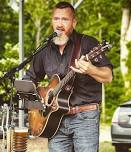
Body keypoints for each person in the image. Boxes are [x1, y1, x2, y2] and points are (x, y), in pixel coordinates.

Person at [24, 1, 113, 152]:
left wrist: (91, 69)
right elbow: (29, 79)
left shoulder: (88, 43)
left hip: (85, 117)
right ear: (52, 21)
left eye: (64, 19)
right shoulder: (45, 49)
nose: (59, 24)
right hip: (54, 120)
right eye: (56, 19)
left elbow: (108, 77)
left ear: (74, 22)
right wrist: (40, 102)